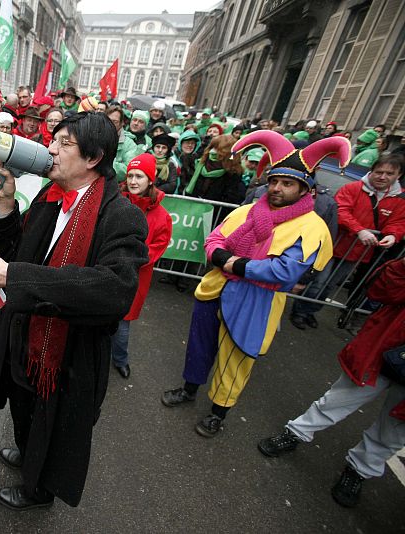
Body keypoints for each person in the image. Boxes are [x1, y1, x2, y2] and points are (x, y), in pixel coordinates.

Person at [0, 112, 148, 509]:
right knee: (24, 406)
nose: (50, 149)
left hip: (69, 353)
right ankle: (29, 454)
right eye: (53, 140)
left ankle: (39, 490)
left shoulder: (121, 215)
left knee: (55, 423)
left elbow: (114, 290)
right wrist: (6, 203)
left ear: (94, 157)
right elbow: (19, 252)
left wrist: (10, 276)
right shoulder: (49, 197)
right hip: (27, 335)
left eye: (64, 143)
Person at [161, 131, 343, 437]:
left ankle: (218, 412)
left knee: (236, 360)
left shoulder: (312, 228)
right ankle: (189, 389)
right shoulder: (246, 211)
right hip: (215, 289)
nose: (277, 188)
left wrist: (235, 264)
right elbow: (214, 239)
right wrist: (223, 257)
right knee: (200, 345)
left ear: (305, 189)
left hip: (257, 301)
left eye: (287, 184)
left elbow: (285, 271)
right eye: (274, 181)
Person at [258, 257, 405, 508]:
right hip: (383, 347)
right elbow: (379, 289)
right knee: (339, 399)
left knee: (394, 431)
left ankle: (360, 469)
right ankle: (296, 432)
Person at [289, 154, 405, 329]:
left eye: (389, 173)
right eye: (379, 172)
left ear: (399, 175)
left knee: (330, 286)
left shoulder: (399, 199)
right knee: (318, 282)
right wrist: (359, 230)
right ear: (372, 171)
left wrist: (393, 235)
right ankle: (299, 311)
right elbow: (341, 211)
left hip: (358, 252)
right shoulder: (352, 188)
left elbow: (398, 222)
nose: (382, 177)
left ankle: (310, 311)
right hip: (332, 245)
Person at [111, 154, 171, 378]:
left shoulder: (162, 217)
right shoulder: (115, 202)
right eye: (130, 176)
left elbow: (157, 248)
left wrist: (129, 258)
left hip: (135, 278)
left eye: (139, 176)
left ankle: (120, 359)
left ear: (150, 180)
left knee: (122, 326)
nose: (133, 181)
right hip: (107, 270)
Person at [184, 134, 246, 209]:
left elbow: (230, 200)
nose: (212, 151)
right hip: (192, 208)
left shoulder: (233, 173)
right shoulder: (200, 164)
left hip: (214, 212)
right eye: (212, 147)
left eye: (217, 148)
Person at [106, 105, 139, 183]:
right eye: (108, 120)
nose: (110, 124)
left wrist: (104, 164)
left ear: (122, 123)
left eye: (115, 122)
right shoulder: (95, 137)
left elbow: (128, 169)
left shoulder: (129, 144)